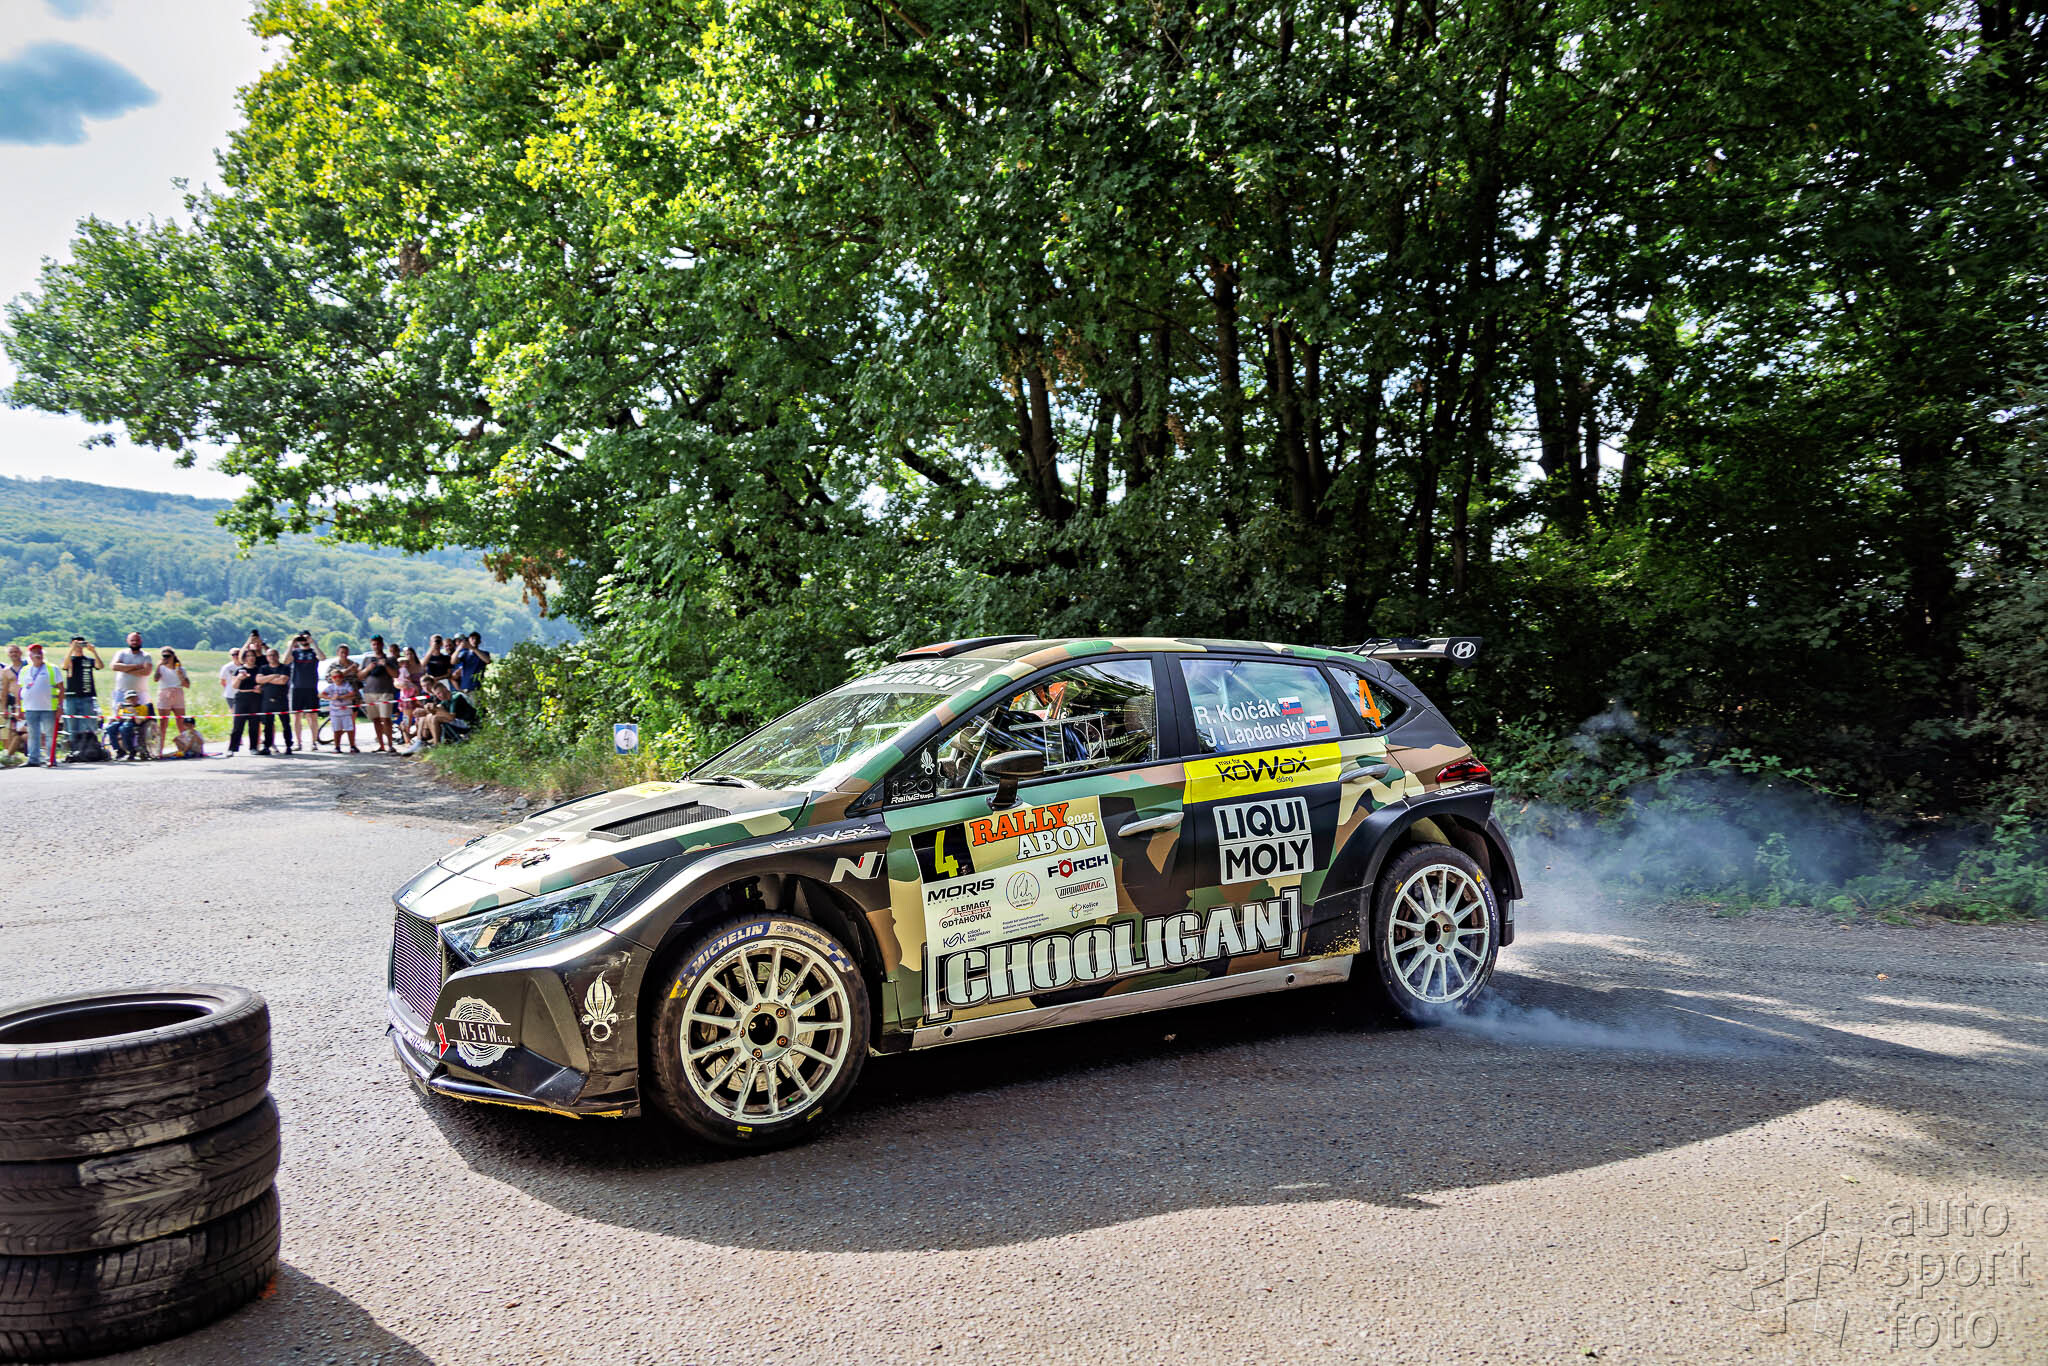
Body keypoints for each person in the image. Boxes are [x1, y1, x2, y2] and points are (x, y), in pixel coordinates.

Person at [16, 643, 58, 767]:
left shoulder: (52, 668)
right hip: (30, 707)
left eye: (39, 652)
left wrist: (60, 707)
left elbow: (61, 688)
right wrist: (19, 708)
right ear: (29, 655)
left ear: (43, 654)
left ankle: (51, 759)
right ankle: (33, 759)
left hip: (48, 707)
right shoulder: (25, 670)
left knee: (49, 734)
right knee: (33, 734)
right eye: (34, 652)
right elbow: (20, 690)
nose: (37, 655)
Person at [61, 637, 103, 750]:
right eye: (77, 644)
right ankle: (74, 750)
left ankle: (91, 748)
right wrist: (71, 650)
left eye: (81, 644)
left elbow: (100, 666)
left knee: (90, 724)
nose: (79, 647)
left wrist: (93, 651)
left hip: (87, 696)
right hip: (71, 697)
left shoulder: (88, 660)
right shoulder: (69, 659)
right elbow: (64, 666)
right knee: (72, 726)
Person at [358, 640, 398, 754]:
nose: (376, 646)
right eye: (374, 644)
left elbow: (396, 674)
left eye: (378, 644)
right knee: (375, 719)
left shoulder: (390, 659)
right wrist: (368, 668)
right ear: (371, 645)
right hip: (369, 693)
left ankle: (390, 745)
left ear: (382, 645)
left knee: (386, 719)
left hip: (385, 692)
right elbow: (359, 676)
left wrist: (385, 665)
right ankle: (381, 745)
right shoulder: (367, 659)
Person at [225, 648, 266, 756]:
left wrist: (261, 688)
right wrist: (239, 678)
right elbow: (234, 686)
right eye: (248, 656)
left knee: (254, 724)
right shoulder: (239, 670)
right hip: (242, 697)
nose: (251, 658)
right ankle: (232, 748)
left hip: (255, 697)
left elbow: (264, 683)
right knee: (238, 724)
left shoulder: (259, 669)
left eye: (252, 656)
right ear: (244, 658)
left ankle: (253, 747)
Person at [286, 632, 323, 751]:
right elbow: (285, 661)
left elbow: (322, 658)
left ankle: (314, 742)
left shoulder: (313, 652)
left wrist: (313, 643)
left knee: (313, 715)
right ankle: (298, 742)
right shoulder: (295, 653)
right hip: (297, 687)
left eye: (305, 638)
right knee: (296, 716)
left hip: (311, 687)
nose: (304, 640)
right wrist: (292, 643)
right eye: (301, 638)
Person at [153, 648, 190, 757]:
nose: (166, 658)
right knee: (163, 725)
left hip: (178, 693)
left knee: (182, 724)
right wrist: (158, 666)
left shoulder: (181, 669)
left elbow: (187, 685)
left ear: (173, 656)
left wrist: (180, 675)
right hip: (165, 693)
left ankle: (184, 749)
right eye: (163, 656)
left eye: (168, 656)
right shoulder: (161, 668)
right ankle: (159, 751)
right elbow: (155, 679)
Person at [257, 648, 293, 755]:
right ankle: (267, 746)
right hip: (267, 700)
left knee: (285, 724)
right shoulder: (263, 668)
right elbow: (259, 680)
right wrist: (273, 676)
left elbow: (283, 680)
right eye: (269, 655)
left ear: (277, 656)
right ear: (267, 657)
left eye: (273, 655)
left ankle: (288, 745)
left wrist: (266, 679)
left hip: (281, 700)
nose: (272, 657)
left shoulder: (284, 668)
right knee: (267, 725)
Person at [320, 665, 361, 754]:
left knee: (349, 728)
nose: (337, 679)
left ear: (342, 677)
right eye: (335, 677)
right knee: (336, 729)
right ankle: (337, 747)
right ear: (332, 678)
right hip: (335, 711)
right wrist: (331, 698)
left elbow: (352, 693)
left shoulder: (346, 685)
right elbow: (321, 695)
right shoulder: (331, 687)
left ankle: (352, 746)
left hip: (346, 710)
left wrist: (341, 697)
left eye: (339, 676)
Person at [109, 631, 151, 709]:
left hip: (140, 694)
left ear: (141, 641)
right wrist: (137, 666)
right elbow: (114, 666)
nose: (135, 642)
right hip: (121, 693)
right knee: (118, 715)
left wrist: (124, 669)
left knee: (143, 715)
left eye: (137, 640)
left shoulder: (146, 656)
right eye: (132, 640)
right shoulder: (121, 653)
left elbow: (146, 672)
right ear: (127, 641)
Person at [105, 689, 148, 760]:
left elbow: (139, 722)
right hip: (122, 721)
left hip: (133, 722)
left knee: (124, 728)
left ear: (137, 698)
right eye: (129, 698)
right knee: (110, 728)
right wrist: (117, 710)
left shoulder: (143, 708)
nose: (132, 700)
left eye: (133, 698)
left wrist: (135, 712)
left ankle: (131, 750)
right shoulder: (124, 707)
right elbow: (118, 718)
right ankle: (119, 750)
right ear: (126, 700)